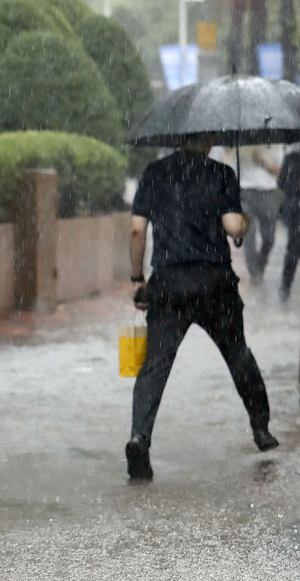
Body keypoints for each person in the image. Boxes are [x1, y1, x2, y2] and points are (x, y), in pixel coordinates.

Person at [126, 135, 279, 483]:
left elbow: (137, 231)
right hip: (214, 284)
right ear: (209, 139)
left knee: (154, 367)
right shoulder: (221, 174)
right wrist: (245, 221)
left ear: (177, 138)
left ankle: (139, 438)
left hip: (169, 285)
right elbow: (233, 227)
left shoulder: (154, 173)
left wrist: (138, 277)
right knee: (238, 354)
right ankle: (261, 430)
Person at [233, 144, 282, 284]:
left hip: (268, 194)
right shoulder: (240, 144)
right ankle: (254, 271)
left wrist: (261, 161)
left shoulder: (276, 146)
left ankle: (262, 262)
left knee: (269, 237)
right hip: (245, 193)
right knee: (249, 236)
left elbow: (279, 169)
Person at [278, 143, 300, 302]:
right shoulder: (292, 157)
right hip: (296, 209)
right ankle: (285, 289)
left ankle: (285, 288)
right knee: (293, 250)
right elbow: (282, 182)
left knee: (293, 250)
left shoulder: (291, 156)